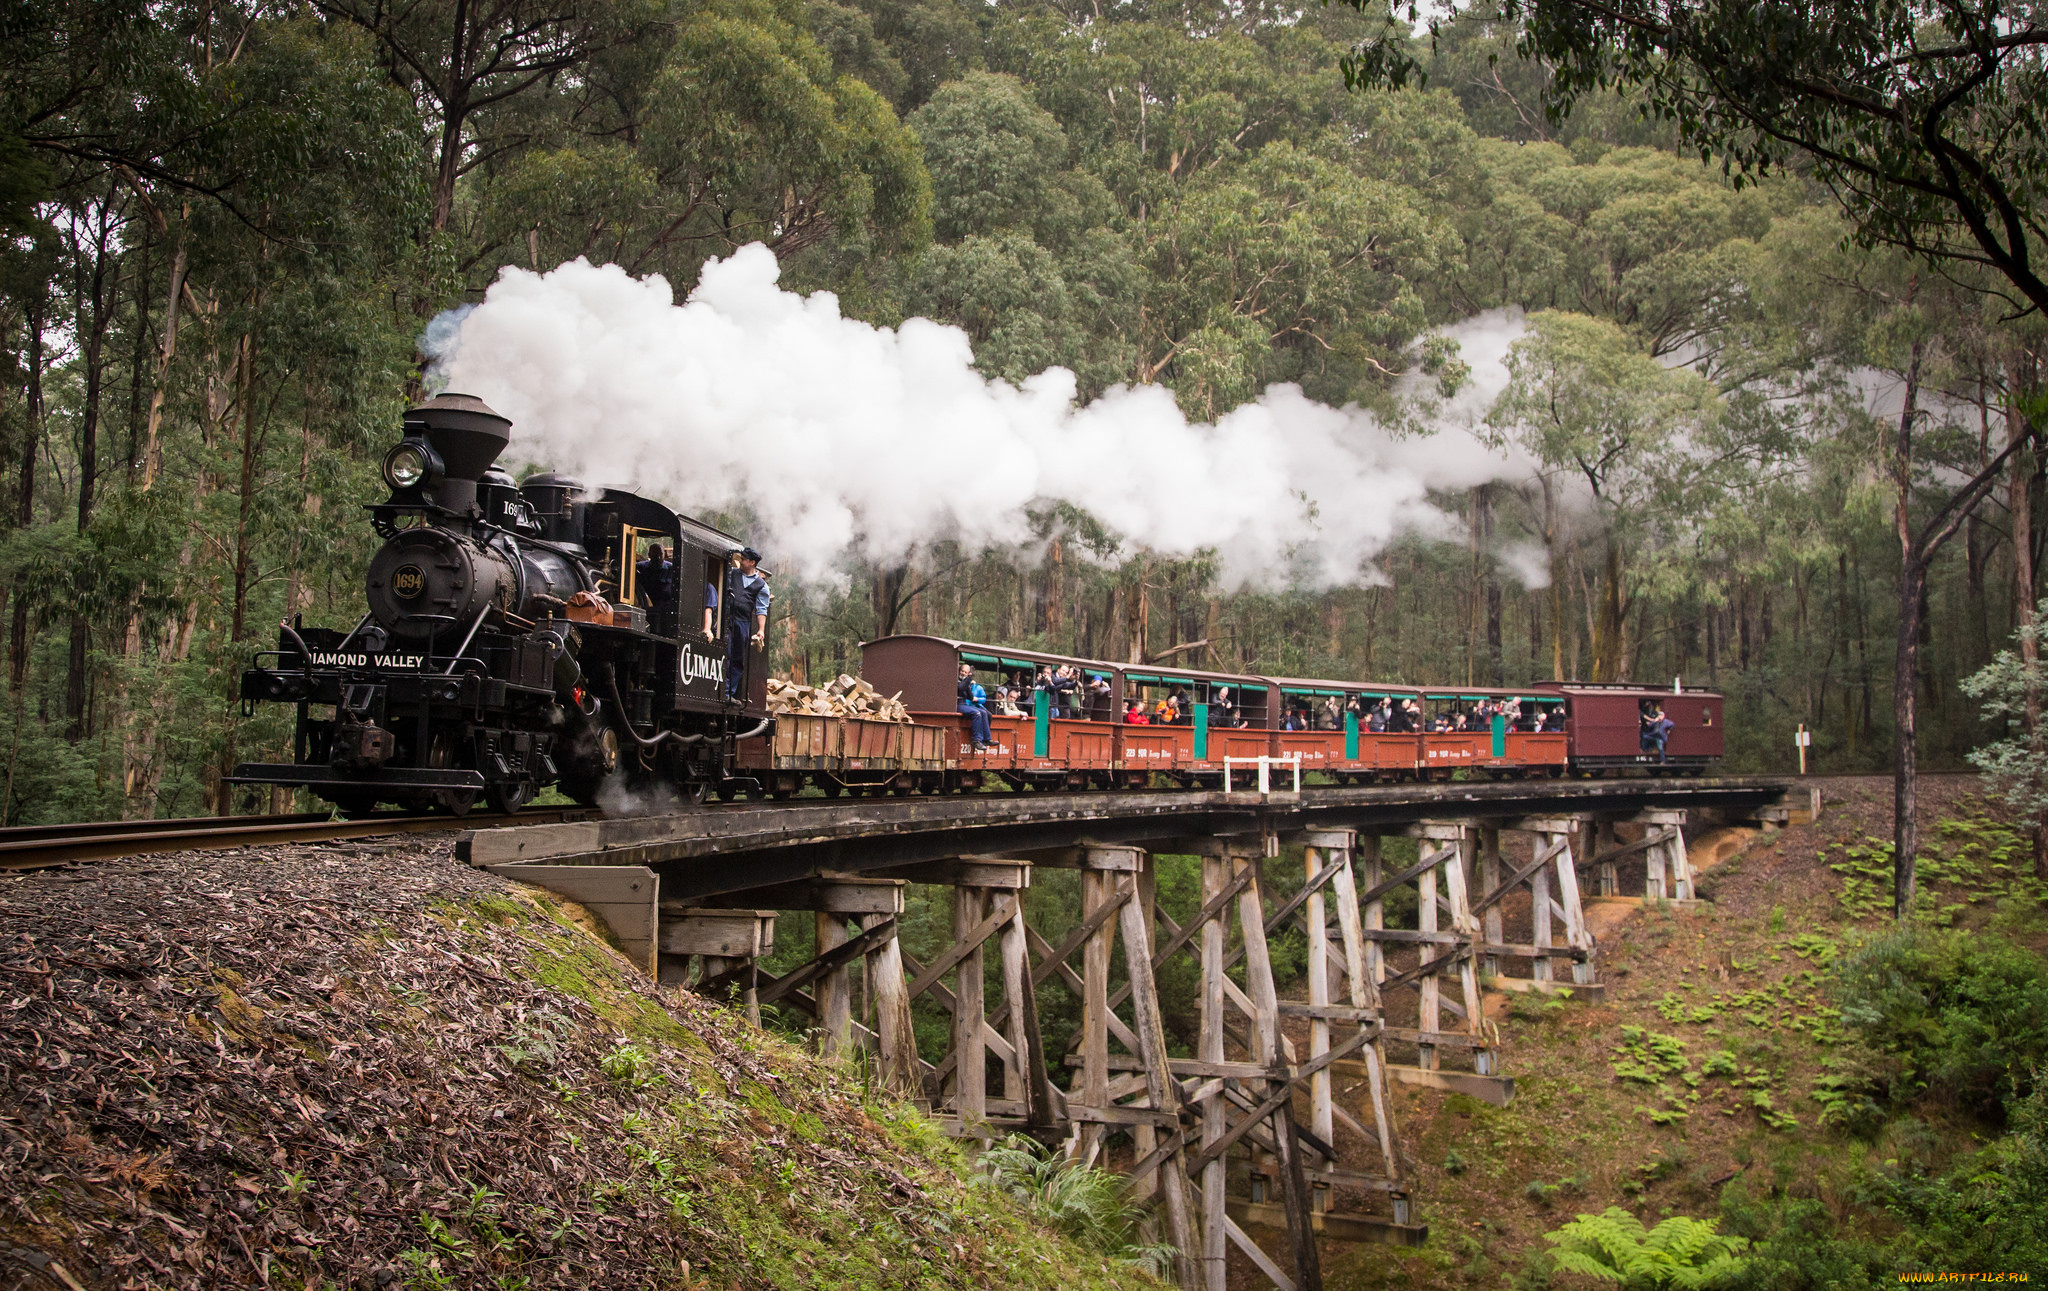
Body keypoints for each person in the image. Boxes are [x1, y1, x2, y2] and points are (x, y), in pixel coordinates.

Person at [723, 547, 770, 700]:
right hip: (726, 617)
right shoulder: (732, 573)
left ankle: (729, 693)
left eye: (743, 559)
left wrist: (761, 630)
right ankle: (720, 687)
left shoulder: (762, 585)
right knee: (726, 653)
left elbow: (761, 609)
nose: (740, 561)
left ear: (752, 563)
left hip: (742, 623)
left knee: (737, 658)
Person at [957, 662, 992, 750]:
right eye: (962, 671)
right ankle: (976, 740)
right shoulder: (956, 679)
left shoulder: (965, 682)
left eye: (965, 672)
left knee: (983, 712)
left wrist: (969, 685)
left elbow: (970, 696)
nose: (963, 673)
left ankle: (987, 739)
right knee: (977, 713)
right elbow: (960, 688)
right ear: (959, 671)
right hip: (956, 704)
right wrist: (968, 680)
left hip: (963, 704)